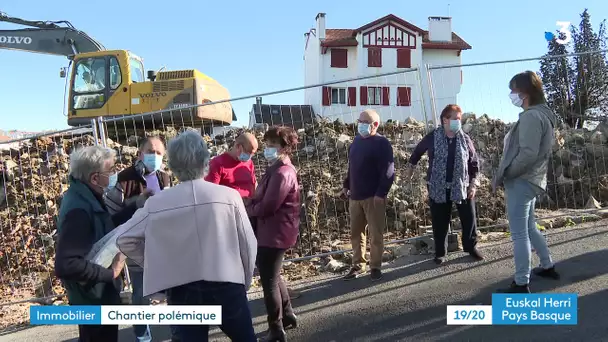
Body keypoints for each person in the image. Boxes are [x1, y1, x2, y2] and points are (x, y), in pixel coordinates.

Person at [116, 129, 258, 342]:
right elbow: (248, 243)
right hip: (227, 281)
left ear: (172, 165)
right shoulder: (229, 196)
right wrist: (244, 281)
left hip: (182, 289)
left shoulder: (157, 203)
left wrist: (158, 264)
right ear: (205, 161)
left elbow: (124, 238)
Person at [54, 146, 151, 342]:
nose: (114, 175)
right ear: (95, 178)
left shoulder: (87, 197)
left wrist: (137, 204)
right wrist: (111, 273)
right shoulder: (78, 211)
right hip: (92, 298)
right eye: (110, 171)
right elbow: (66, 264)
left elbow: (103, 226)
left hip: (96, 295)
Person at [205, 132, 302, 300]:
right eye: (249, 152)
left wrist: (254, 202)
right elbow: (209, 194)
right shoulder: (217, 164)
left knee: (264, 261)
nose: (250, 157)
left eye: (253, 153)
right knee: (239, 259)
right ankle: (241, 294)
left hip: (252, 216)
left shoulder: (247, 163)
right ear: (238, 147)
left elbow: (254, 184)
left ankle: (279, 292)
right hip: (230, 220)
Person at [493, 71, 561, 293]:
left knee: (519, 233)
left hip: (522, 180)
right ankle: (547, 264)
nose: (511, 94)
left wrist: (508, 173)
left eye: (513, 89)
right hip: (533, 180)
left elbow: (528, 153)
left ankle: (522, 282)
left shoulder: (531, 117)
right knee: (530, 227)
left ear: (523, 92)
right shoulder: (544, 114)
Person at [104, 136, 176, 342]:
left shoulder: (165, 178)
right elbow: (112, 218)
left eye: (159, 153)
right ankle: (142, 337)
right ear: (139, 153)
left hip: (163, 244)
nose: (155, 156)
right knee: (140, 296)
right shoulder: (122, 180)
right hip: (137, 247)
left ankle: (178, 333)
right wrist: (136, 203)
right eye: (150, 151)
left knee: (171, 291)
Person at [406, 104, 484, 264]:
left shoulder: (465, 138)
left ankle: (470, 246)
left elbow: (474, 161)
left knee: (468, 217)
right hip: (438, 185)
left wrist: (473, 184)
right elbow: (417, 152)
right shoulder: (433, 137)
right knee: (440, 219)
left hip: (462, 184)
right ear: (445, 120)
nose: (458, 122)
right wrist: (411, 168)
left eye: (459, 119)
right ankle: (440, 252)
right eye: (455, 119)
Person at [246, 126, 300, 342]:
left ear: (285, 148)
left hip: (274, 233)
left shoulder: (282, 173)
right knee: (274, 276)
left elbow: (269, 206)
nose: (267, 149)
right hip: (275, 230)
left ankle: (276, 329)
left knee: (268, 281)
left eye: (272, 145)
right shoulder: (276, 169)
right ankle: (287, 315)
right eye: (266, 145)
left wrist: (247, 209)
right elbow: (263, 198)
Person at [342, 109, 395, 281]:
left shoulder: (382, 144)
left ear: (375, 125)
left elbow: (388, 171)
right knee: (356, 233)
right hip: (355, 196)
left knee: (375, 233)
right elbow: (352, 168)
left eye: (365, 122)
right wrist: (346, 185)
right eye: (360, 121)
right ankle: (358, 264)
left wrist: (381, 193)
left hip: (374, 197)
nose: (361, 125)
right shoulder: (356, 142)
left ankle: (375, 266)